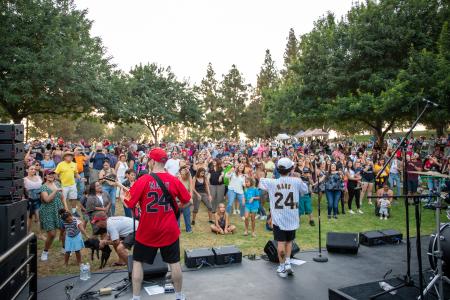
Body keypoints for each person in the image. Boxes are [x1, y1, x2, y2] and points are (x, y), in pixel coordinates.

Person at [125, 148, 191, 300]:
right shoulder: (174, 180)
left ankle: (136, 297)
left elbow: (129, 203)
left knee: (137, 262)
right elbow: (188, 200)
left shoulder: (143, 180)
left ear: (152, 161)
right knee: (174, 263)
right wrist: (178, 208)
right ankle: (179, 296)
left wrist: (125, 196)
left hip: (147, 229)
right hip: (169, 229)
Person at [259, 157, 308, 278]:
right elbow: (305, 190)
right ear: (291, 169)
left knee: (280, 243)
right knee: (289, 242)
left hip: (278, 219)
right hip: (292, 218)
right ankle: (287, 263)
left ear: (278, 169)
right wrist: (299, 177)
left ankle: (281, 267)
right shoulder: (296, 181)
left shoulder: (272, 182)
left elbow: (260, 180)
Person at [40, 170, 67, 261]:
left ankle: (64, 248)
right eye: (49, 174)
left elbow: (63, 198)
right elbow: (47, 199)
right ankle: (45, 252)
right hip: (48, 211)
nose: (51, 175)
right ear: (45, 176)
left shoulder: (58, 184)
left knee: (64, 230)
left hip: (59, 210)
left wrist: (66, 208)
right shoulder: (43, 187)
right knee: (52, 234)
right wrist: (55, 191)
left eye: (53, 174)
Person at [55, 151, 82, 216]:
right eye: (68, 156)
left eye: (71, 156)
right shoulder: (60, 164)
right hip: (63, 185)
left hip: (72, 184)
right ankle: (64, 212)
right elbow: (56, 174)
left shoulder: (74, 164)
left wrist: (80, 178)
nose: (70, 157)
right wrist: (60, 180)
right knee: (63, 199)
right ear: (65, 157)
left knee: (74, 198)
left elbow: (76, 173)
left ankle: (74, 211)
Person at [24, 164, 43, 231]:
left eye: (34, 169)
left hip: (38, 200)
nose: (33, 170)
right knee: (29, 218)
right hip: (29, 201)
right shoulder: (24, 180)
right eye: (31, 169)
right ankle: (27, 234)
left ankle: (39, 234)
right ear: (27, 170)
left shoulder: (39, 177)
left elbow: (42, 188)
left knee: (38, 218)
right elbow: (23, 191)